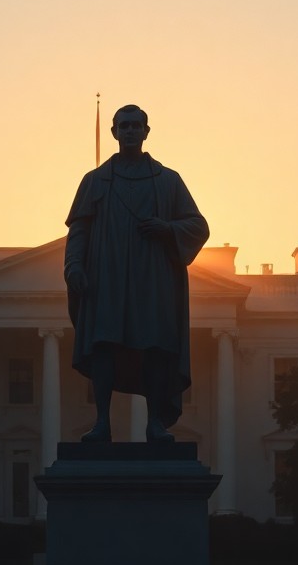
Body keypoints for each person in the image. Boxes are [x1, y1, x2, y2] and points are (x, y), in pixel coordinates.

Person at [64, 105, 209, 442]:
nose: (129, 131)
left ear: (146, 131)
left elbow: (198, 225)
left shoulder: (168, 180)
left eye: (136, 126)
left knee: (156, 346)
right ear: (114, 132)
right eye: (123, 125)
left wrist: (167, 228)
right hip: (107, 276)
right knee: (103, 345)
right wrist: (73, 265)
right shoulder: (95, 180)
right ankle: (102, 422)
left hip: (152, 277)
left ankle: (155, 423)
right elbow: (79, 230)